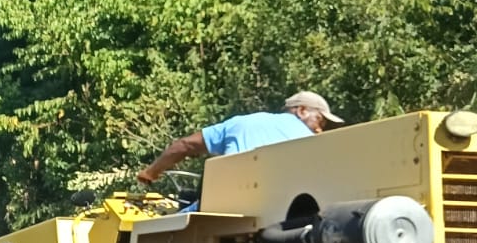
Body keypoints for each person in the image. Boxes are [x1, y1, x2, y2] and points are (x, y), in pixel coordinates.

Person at [138, 91, 342, 186]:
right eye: (321, 122)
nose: (320, 130)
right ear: (302, 110)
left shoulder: (244, 122)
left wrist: (151, 172)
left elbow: (183, 145)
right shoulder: (315, 144)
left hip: (226, 206)